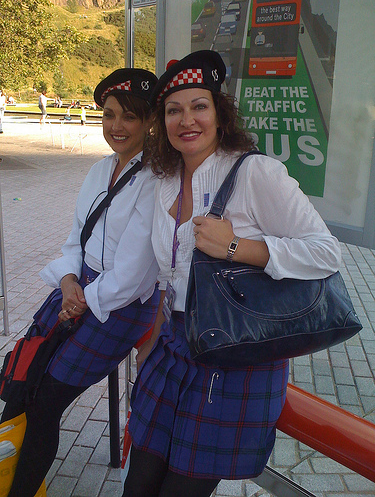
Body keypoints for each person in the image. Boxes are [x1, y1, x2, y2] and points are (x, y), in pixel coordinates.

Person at [123, 50, 342, 497]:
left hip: (235, 356)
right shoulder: (165, 179)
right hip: (172, 348)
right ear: (162, 122)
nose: (187, 119)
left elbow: (326, 253)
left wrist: (237, 247)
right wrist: (152, 341)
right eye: (174, 110)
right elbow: (172, 277)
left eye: (199, 106)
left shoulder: (256, 172)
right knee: (138, 482)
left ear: (219, 115)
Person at [1, 67, 160, 497]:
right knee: (21, 379)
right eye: (109, 114)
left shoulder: (158, 182)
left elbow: (132, 275)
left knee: (47, 399)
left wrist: (81, 297)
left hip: (119, 308)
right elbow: (75, 239)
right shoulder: (97, 172)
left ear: (149, 121)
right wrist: (69, 280)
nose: (117, 126)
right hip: (78, 289)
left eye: (129, 116)